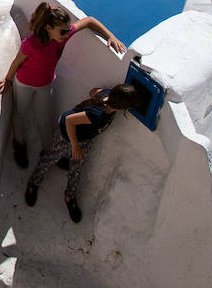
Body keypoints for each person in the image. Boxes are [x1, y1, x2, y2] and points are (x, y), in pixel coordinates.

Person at [0, 3, 125, 169]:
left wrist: (110, 36)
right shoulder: (31, 44)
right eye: (62, 31)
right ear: (48, 28)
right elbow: (17, 61)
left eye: (66, 30)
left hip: (45, 85)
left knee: (45, 119)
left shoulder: (63, 35)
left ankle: (48, 150)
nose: (66, 34)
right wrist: (8, 79)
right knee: (20, 113)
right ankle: (19, 143)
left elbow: (89, 21)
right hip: (24, 84)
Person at [25, 83, 146, 223]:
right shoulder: (98, 114)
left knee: (77, 168)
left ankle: (69, 196)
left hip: (83, 139)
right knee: (50, 158)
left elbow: (92, 91)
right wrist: (75, 146)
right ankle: (34, 181)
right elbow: (69, 120)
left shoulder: (107, 94)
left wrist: (96, 97)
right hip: (66, 136)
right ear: (121, 106)